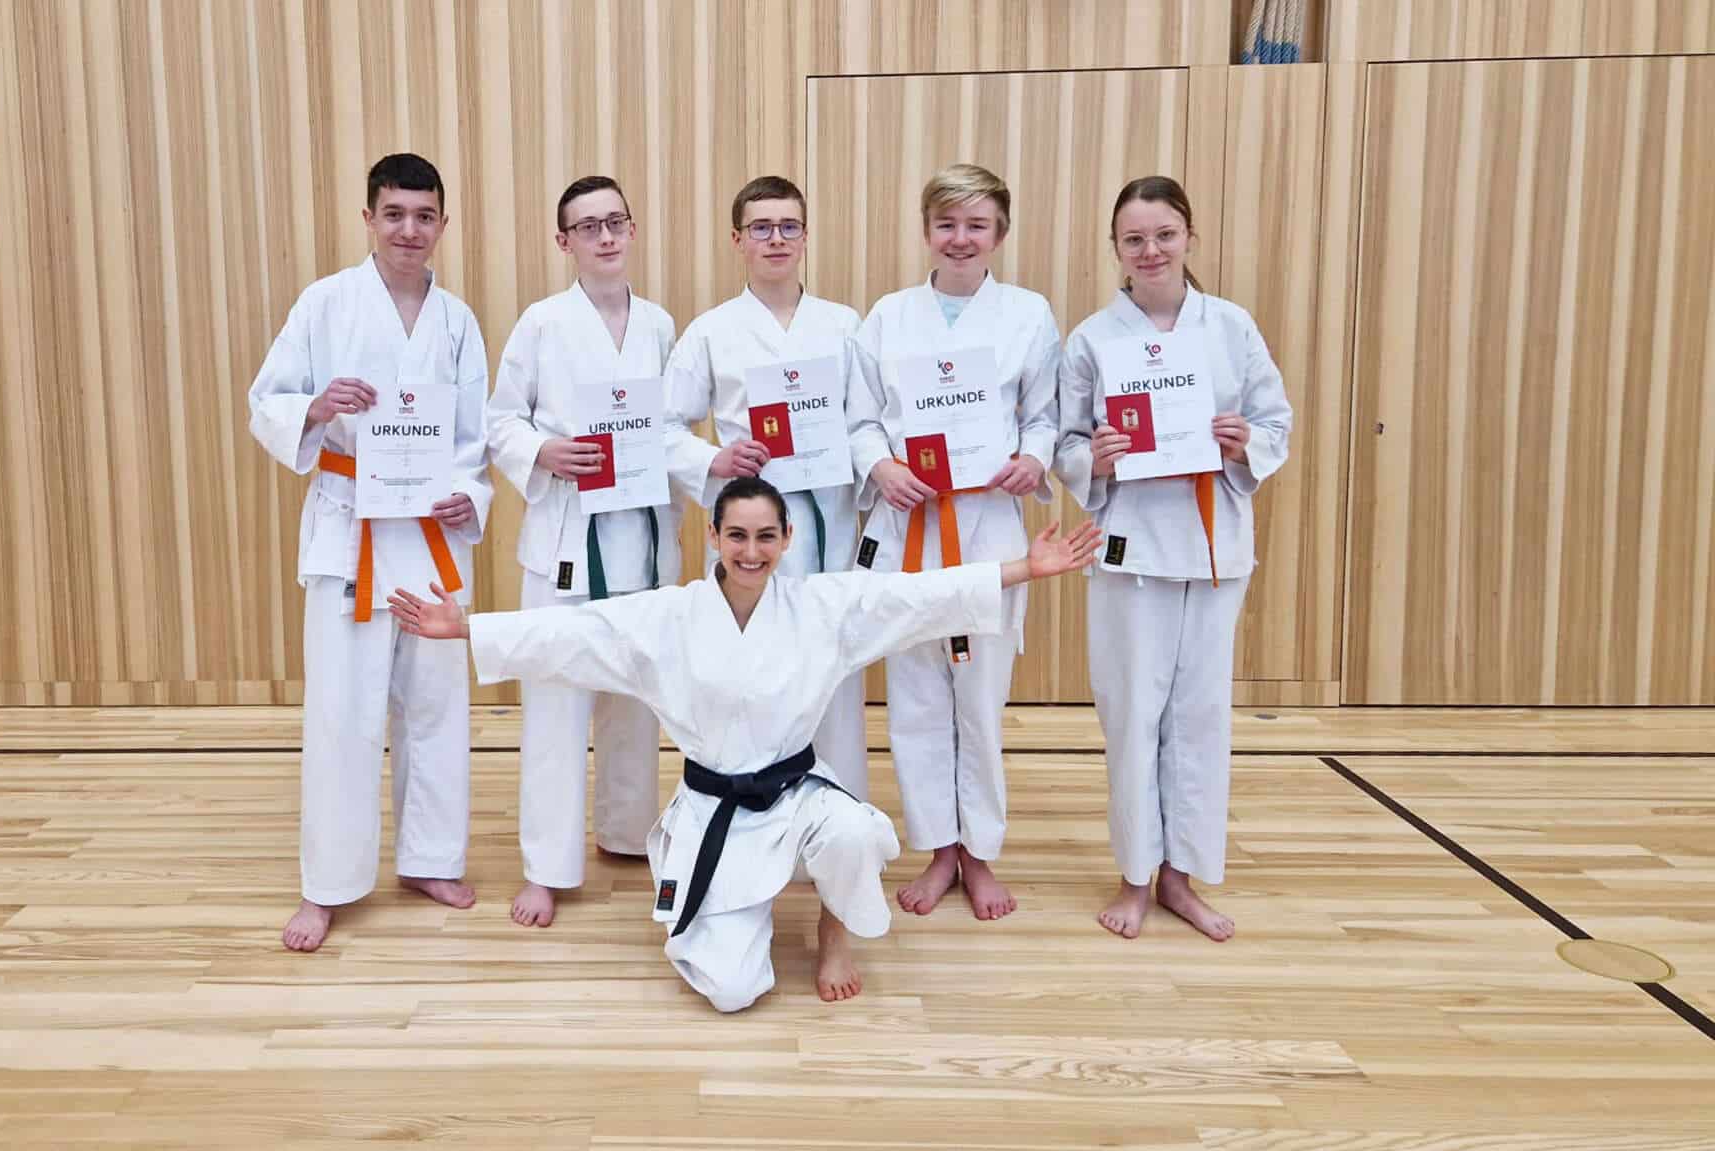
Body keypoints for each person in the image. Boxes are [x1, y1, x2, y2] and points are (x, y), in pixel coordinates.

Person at [387, 477, 1101, 1012]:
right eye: (737, 535)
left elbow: (916, 597)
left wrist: (1021, 570)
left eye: (766, 536)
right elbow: (578, 633)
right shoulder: (672, 616)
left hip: (799, 797)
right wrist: (467, 629)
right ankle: (736, 918)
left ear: (787, 539)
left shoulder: (823, 605)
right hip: (714, 809)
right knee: (731, 989)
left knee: (855, 830)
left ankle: (834, 928)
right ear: (714, 539)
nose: (751, 551)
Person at [247, 153, 494, 952]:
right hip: (350, 526)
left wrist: (472, 496)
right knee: (343, 713)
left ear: (443, 225)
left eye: (425, 216)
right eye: (395, 214)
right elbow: (268, 402)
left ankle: (429, 858)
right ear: (368, 218)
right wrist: (317, 406)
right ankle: (329, 884)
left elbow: (473, 442)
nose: (410, 230)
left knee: (434, 705)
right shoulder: (325, 304)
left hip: (427, 534)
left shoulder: (458, 322)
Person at [1052, 175, 1293, 941]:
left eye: (1164, 234)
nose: (1150, 250)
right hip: (1132, 551)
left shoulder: (1230, 326)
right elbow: (1065, 444)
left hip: (1216, 546)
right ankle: (1133, 876)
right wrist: (1100, 457)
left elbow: (1274, 418)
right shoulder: (1092, 338)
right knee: (1131, 715)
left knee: (1199, 716)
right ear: (1115, 250)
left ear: (1190, 236)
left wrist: (1241, 441)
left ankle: (1181, 878)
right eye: (1134, 239)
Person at [846, 163, 1061, 921]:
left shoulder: (1029, 314)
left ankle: (982, 851)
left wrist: (1034, 456)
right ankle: (939, 849)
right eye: (947, 223)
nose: (960, 238)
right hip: (910, 524)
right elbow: (862, 414)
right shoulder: (889, 315)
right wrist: (880, 464)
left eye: (976, 224)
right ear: (927, 231)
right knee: (915, 700)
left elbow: (1045, 413)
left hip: (986, 527)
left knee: (981, 698)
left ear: (999, 232)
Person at [486, 176, 678, 928]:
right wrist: (543, 451)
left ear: (632, 229)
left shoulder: (660, 324)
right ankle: (546, 867)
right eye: (586, 226)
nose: (603, 236)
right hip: (568, 540)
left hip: (643, 536)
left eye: (615, 222)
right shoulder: (540, 324)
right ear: (562, 240)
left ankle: (628, 833)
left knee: (636, 702)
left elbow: (669, 426)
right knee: (557, 708)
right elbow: (500, 421)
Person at [663, 175, 870, 797]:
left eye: (788, 226)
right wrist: (717, 458)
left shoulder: (843, 324)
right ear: (738, 240)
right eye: (761, 227)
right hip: (750, 540)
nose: (775, 239)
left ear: (805, 236)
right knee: (749, 681)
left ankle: (838, 822)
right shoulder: (711, 330)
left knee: (834, 679)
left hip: (828, 525)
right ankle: (750, 821)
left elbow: (864, 423)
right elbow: (665, 427)